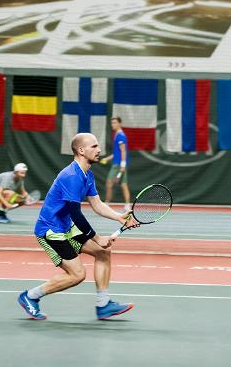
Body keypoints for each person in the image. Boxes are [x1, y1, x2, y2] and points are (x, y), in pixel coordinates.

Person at [17, 133, 139, 320]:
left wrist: (118, 217)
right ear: (81, 150)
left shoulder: (86, 174)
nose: (99, 150)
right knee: (77, 275)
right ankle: (30, 296)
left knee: (103, 252)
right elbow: (76, 213)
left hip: (66, 226)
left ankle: (103, 305)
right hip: (50, 231)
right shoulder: (71, 176)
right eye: (94, 146)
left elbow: (97, 204)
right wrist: (98, 238)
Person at [100, 117, 131, 210]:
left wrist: (122, 165)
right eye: (112, 123)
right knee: (123, 184)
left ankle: (107, 204)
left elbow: (123, 151)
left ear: (119, 124)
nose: (113, 124)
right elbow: (117, 152)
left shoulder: (120, 135)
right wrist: (107, 159)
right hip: (119, 163)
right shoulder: (117, 135)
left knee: (109, 183)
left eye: (115, 123)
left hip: (118, 165)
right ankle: (127, 205)